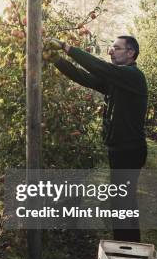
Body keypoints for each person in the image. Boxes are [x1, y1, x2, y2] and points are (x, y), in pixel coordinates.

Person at [46, 36, 147, 242]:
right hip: (120, 149)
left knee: (123, 203)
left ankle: (129, 250)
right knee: (121, 202)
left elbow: (99, 68)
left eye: (116, 48)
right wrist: (56, 60)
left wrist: (67, 47)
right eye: (111, 48)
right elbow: (85, 78)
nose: (111, 51)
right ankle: (126, 248)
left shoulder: (132, 75)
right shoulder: (119, 80)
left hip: (129, 150)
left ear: (131, 53)